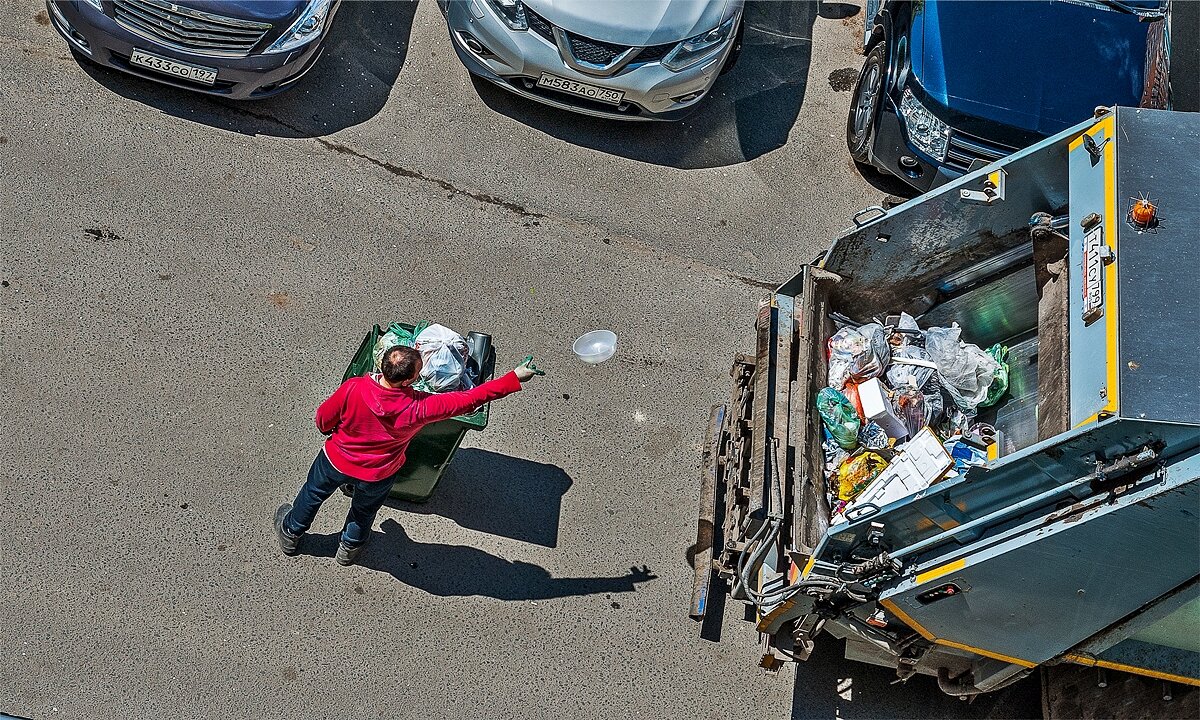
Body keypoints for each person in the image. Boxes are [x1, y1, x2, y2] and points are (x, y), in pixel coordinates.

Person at [274, 345, 540, 566]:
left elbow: (323, 420)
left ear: (382, 365)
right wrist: (515, 377)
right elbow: (469, 399)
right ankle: (349, 549)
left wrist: (332, 432)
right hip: (379, 472)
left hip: (335, 460)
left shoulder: (353, 388)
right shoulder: (421, 407)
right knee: (364, 510)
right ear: (408, 380)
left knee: (312, 494)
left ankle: (291, 533)